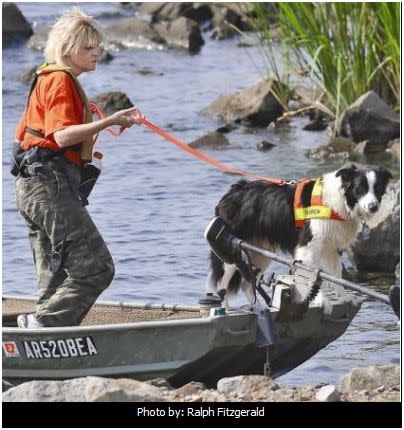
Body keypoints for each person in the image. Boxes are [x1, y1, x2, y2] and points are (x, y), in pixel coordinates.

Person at [14, 8, 140, 328]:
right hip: (48, 184)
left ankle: (40, 338)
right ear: (68, 49)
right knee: (96, 267)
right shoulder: (59, 80)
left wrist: (97, 130)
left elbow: (38, 137)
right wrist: (110, 119)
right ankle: (45, 328)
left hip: (32, 186)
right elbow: (61, 135)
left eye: (98, 45)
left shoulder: (48, 77)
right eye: (88, 47)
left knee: (53, 275)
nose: (97, 51)